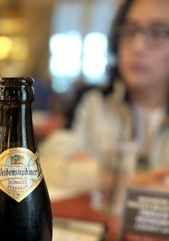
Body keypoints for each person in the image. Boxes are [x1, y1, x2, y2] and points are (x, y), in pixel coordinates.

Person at [41, 0, 169, 179]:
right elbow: (48, 163)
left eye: (157, 33)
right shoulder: (93, 100)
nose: (137, 46)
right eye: (129, 31)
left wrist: (90, 169)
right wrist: (135, 179)